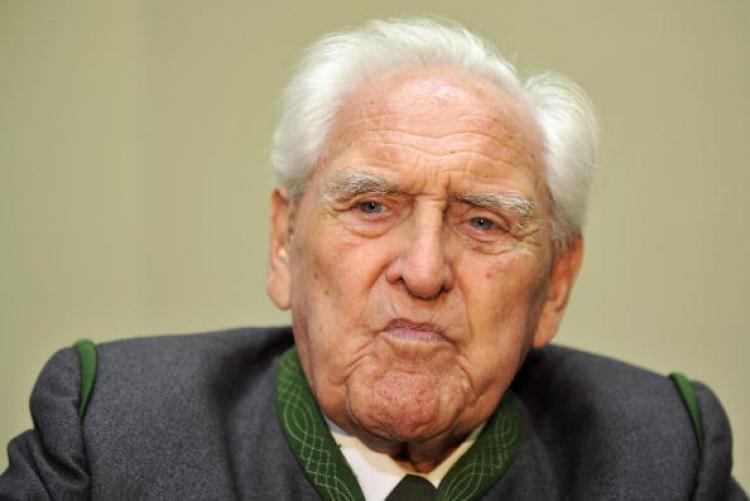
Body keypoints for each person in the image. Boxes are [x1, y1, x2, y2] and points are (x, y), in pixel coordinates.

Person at [0, 18, 746, 501]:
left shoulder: (663, 457)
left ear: (556, 283)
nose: (423, 272)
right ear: (283, 242)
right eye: (370, 207)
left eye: (483, 222)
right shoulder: (111, 433)